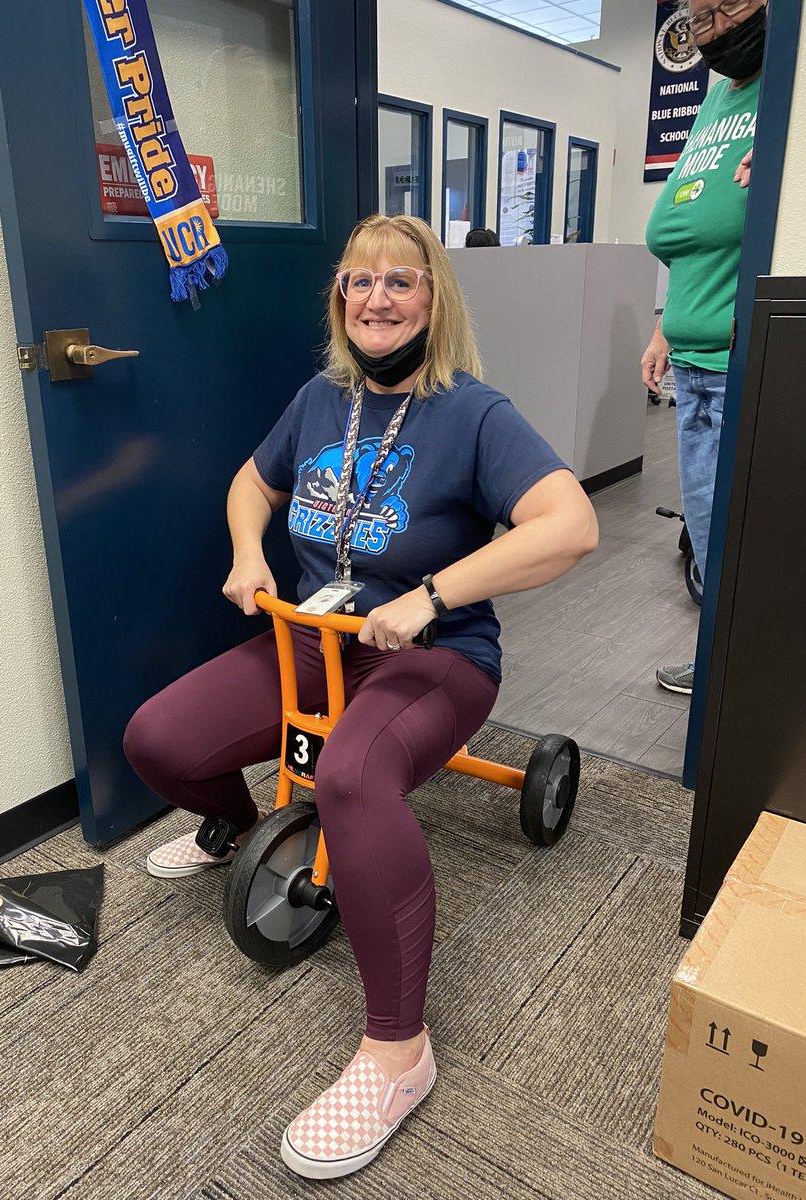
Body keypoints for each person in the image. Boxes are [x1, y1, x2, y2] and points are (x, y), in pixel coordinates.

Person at [124, 214, 598, 1180]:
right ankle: (234, 827)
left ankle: (399, 1052)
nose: (377, 299)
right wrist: (249, 555)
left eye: (401, 282)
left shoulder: (473, 412)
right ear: (340, 299)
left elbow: (572, 525)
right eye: (358, 283)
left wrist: (431, 597)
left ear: (435, 298)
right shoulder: (318, 399)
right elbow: (250, 486)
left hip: (436, 659)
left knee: (350, 779)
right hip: (315, 642)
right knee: (159, 740)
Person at [642, 0, 765, 695]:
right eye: (698, 17)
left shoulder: (792, 93)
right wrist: (665, 327)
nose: (714, 27)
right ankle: (726, 662)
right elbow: (690, 228)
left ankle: (742, 684)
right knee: (714, 544)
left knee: (744, 546)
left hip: (741, 367)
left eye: (730, 6)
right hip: (692, 367)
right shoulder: (717, 100)